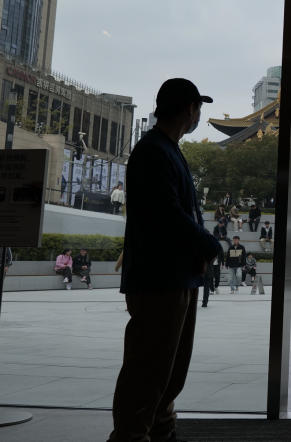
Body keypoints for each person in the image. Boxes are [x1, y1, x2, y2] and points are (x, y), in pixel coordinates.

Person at [106, 78, 223, 442]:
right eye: (198, 108)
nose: (199, 114)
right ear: (190, 108)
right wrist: (210, 246)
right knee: (148, 367)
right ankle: (131, 436)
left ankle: (161, 429)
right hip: (159, 279)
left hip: (177, 276)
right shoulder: (154, 150)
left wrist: (199, 251)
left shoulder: (168, 149)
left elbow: (185, 212)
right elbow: (169, 215)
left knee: (168, 370)